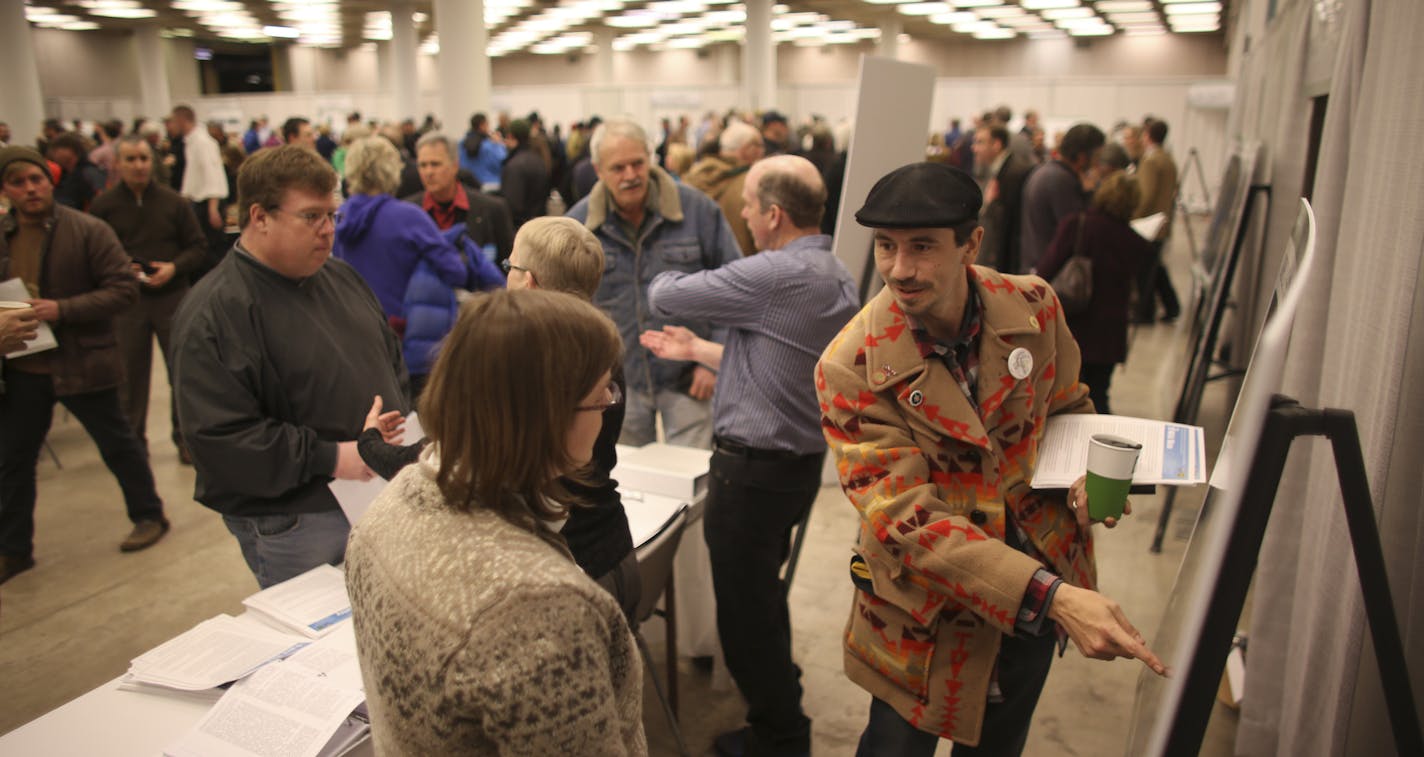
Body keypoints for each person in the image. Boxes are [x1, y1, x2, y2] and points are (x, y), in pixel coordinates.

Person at [815, 161, 1165, 755]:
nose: (900, 269)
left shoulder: (1033, 306)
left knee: (1001, 742)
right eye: (886, 247)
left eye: (922, 247)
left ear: (971, 243)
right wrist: (1052, 596)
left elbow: (1069, 404)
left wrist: (1091, 472)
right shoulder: (852, 365)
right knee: (896, 745)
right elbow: (908, 521)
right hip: (924, 616)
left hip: (1036, 588)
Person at [345, 289, 646, 755]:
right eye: (600, 392)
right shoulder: (543, 611)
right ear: (548, 414)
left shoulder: (385, 512)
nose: (609, 403)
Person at [641, 155, 859, 757]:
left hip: (751, 475)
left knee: (743, 617)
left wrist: (673, 260)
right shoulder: (833, 272)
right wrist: (701, 350)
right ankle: (780, 708)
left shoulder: (773, 275)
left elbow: (665, 296)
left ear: (773, 214)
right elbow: (778, 366)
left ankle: (780, 737)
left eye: (747, 205)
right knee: (761, 598)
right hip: (789, 469)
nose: (739, 214)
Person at [360, 216, 641, 618]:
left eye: (510, 268)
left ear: (529, 281)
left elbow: (450, 463)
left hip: (561, 575)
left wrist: (370, 445)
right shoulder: (603, 350)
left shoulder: (522, 365)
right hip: (612, 546)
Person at [171, 145, 409, 589]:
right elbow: (220, 439)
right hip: (299, 518)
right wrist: (334, 457)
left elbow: (389, 358)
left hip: (373, 492)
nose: (327, 230)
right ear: (259, 216)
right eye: (311, 217)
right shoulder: (216, 313)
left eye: (332, 216)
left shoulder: (339, 277)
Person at [0, 146, 171, 585]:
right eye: (18, 182)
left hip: (82, 363)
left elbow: (122, 290)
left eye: (36, 179)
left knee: (118, 444)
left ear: (50, 180)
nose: (30, 189)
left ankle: (149, 515)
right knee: (14, 461)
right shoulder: (4, 235)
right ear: (5, 189)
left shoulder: (86, 229)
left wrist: (62, 309)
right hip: (25, 366)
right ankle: (14, 548)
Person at [567, 118, 742, 448]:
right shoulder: (578, 226)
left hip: (690, 378)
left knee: (693, 478)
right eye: (618, 168)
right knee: (630, 483)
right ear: (598, 170)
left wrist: (713, 362)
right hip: (616, 384)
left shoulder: (698, 211)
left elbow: (733, 288)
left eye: (637, 163)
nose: (630, 175)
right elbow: (567, 307)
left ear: (651, 157)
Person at [334, 135, 489, 396]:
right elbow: (456, 272)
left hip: (356, 340)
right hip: (405, 341)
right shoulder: (407, 217)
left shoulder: (339, 220)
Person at [89, 134, 207, 459]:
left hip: (173, 298)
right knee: (130, 375)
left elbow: (198, 247)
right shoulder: (104, 206)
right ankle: (133, 444)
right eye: (131, 159)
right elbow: (95, 253)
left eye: (143, 158)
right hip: (128, 302)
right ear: (117, 164)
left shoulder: (174, 202)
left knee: (182, 373)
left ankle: (185, 439)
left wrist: (173, 267)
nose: (139, 165)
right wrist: (119, 269)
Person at [1037, 172, 1150, 415]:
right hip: (1110, 330)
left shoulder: (1077, 225)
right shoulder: (1136, 242)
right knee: (1099, 393)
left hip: (1074, 323)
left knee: (1063, 394)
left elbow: (1046, 268)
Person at [405, 132, 515, 266]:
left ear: (455, 166)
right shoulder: (407, 212)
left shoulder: (492, 209)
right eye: (422, 165)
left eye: (435, 164)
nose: (428, 172)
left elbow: (508, 267)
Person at [1018, 122, 1105, 274]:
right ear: (1083, 157)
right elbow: (1078, 232)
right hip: (1049, 273)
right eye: (1097, 156)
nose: (1098, 163)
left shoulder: (1047, 170)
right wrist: (1090, 193)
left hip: (1036, 264)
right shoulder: (1061, 180)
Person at [683, 120, 765, 256]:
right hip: (745, 268)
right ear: (747, 149)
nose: (763, 150)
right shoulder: (752, 184)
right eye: (759, 145)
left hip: (704, 272)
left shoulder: (695, 177)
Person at [1132, 118, 1181, 323]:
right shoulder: (1168, 159)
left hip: (1149, 224)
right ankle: (1172, 306)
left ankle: (1146, 312)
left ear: (1147, 135)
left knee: (1146, 271)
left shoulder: (1151, 160)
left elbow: (1146, 194)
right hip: (1162, 221)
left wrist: (1133, 218)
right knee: (1156, 267)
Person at [170, 105, 230, 270]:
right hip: (199, 203)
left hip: (208, 204)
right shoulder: (191, 141)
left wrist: (213, 208)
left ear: (182, 120)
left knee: (211, 252)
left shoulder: (203, 142)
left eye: (173, 121)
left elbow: (212, 174)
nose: (171, 126)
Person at [973, 123, 1035, 274]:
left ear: (996, 144)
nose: (974, 148)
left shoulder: (1013, 172)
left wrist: (992, 204)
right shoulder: (1002, 169)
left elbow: (1009, 225)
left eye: (980, 142)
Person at [501, 118, 550, 230]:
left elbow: (513, 206)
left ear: (511, 136)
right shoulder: (538, 159)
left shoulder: (515, 165)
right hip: (539, 224)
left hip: (522, 230)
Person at [45, 132, 105, 210]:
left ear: (70, 150)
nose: (53, 154)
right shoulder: (63, 176)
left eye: (56, 150)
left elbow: (99, 201)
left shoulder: (90, 172)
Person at [458, 112, 506, 191]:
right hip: (490, 187)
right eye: (487, 124)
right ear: (482, 125)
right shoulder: (490, 145)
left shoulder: (461, 144)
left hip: (467, 187)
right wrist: (500, 145)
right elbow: (503, 163)